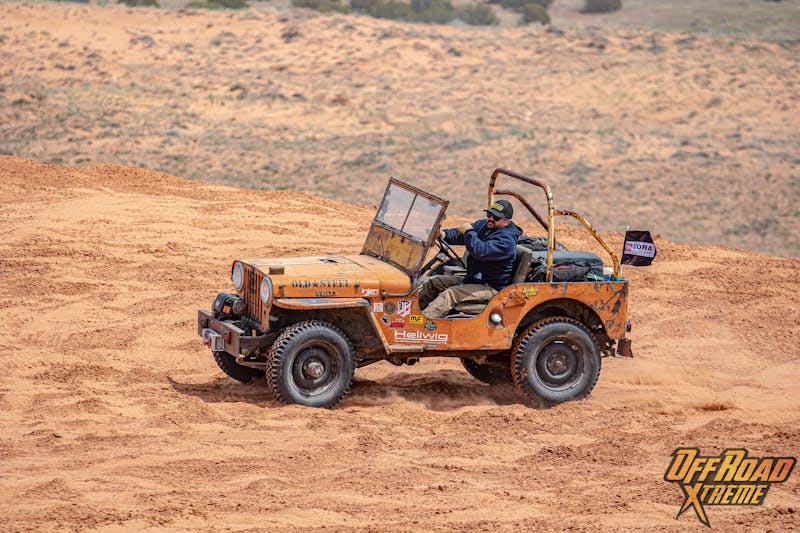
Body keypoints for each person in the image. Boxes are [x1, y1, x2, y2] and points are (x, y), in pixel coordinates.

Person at [419, 199, 522, 318]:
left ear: (507, 222)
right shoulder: (485, 225)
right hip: (473, 278)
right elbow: (461, 234)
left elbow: (480, 251)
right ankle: (412, 313)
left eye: (496, 218)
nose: (491, 219)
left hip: (490, 287)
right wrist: (444, 234)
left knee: (450, 294)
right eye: (489, 215)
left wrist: (469, 232)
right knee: (434, 282)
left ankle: (421, 325)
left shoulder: (506, 242)